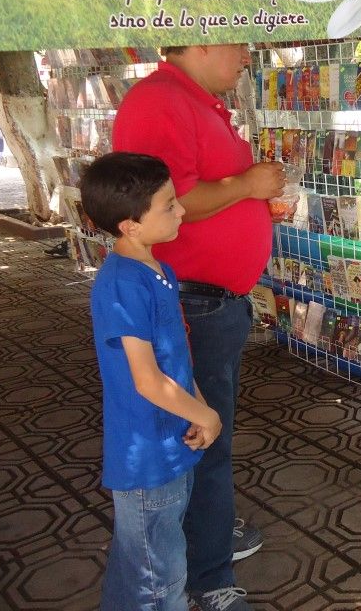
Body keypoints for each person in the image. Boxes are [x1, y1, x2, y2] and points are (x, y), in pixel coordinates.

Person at [113, 44, 284, 611]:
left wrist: (251, 203)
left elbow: (199, 191)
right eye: (238, 43)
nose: (245, 57)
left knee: (210, 436)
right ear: (204, 39)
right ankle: (206, 580)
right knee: (202, 439)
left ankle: (207, 532)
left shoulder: (198, 101)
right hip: (191, 304)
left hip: (213, 302)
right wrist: (249, 189)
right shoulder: (160, 103)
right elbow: (178, 197)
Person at [80, 152, 222, 611]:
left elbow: (173, 358)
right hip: (146, 455)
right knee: (159, 575)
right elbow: (146, 379)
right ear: (130, 226)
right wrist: (206, 414)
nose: (181, 210)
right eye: (169, 204)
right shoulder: (123, 284)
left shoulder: (158, 271)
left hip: (171, 439)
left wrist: (196, 402)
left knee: (140, 558)